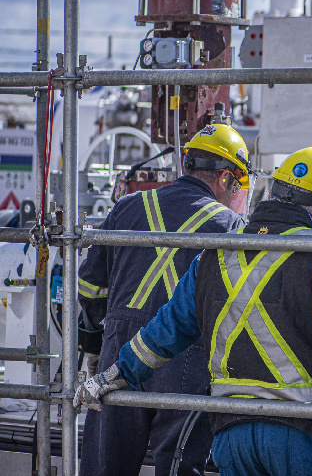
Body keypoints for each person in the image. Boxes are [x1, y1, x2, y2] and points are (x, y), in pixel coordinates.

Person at [74, 146, 312, 476]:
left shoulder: (213, 255)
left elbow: (162, 333)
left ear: (273, 194)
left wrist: (113, 375)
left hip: (233, 436)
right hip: (303, 431)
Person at [77, 123, 251, 476]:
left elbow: (89, 285)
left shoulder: (126, 208)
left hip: (118, 353)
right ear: (226, 177)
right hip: (184, 356)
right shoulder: (231, 226)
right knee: (179, 467)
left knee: (105, 466)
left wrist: (95, 344)